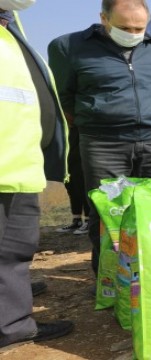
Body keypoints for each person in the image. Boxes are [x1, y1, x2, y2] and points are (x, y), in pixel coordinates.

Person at [48, 0, 151, 275]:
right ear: (103, 19)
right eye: (124, 27)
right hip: (103, 144)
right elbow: (65, 98)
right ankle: (108, 279)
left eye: (139, 28)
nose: (132, 32)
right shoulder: (68, 47)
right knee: (107, 212)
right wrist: (101, 118)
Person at [0, 2, 74, 351]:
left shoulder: (10, 27)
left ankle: (11, 319)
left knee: (13, 251)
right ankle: (11, 327)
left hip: (17, 163)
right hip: (6, 162)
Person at [55, 126, 90, 235]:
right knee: (71, 187)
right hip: (69, 156)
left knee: (82, 186)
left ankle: (89, 221)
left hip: (81, 155)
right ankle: (77, 220)